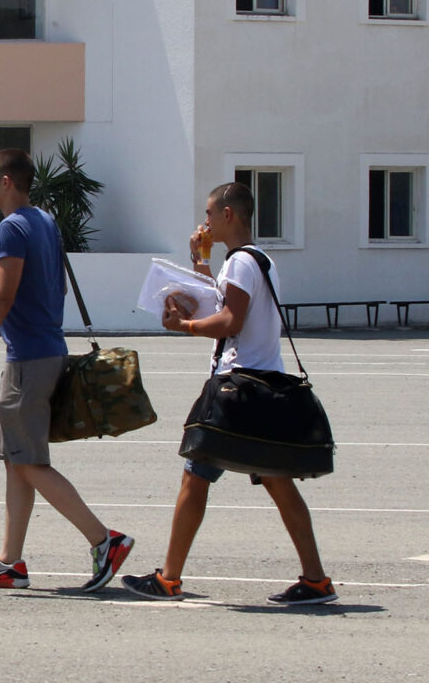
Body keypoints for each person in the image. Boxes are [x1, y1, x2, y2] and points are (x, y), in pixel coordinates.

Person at [121, 181, 335, 605]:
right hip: (264, 387)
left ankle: (169, 579)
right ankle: (315, 581)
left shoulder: (240, 263)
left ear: (228, 215)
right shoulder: (260, 260)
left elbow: (230, 321)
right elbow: (218, 305)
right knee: (278, 484)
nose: (204, 222)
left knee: (195, 477)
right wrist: (200, 261)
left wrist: (184, 327)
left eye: (208, 214)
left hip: (238, 390)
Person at [0, 148, 132, 591]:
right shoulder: (45, 221)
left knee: (29, 462)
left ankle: (103, 539)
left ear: (7, 181)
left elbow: (2, 296)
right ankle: (10, 561)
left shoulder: (12, 228)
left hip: (29, 357)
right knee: (17, 461)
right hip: (46, 348)